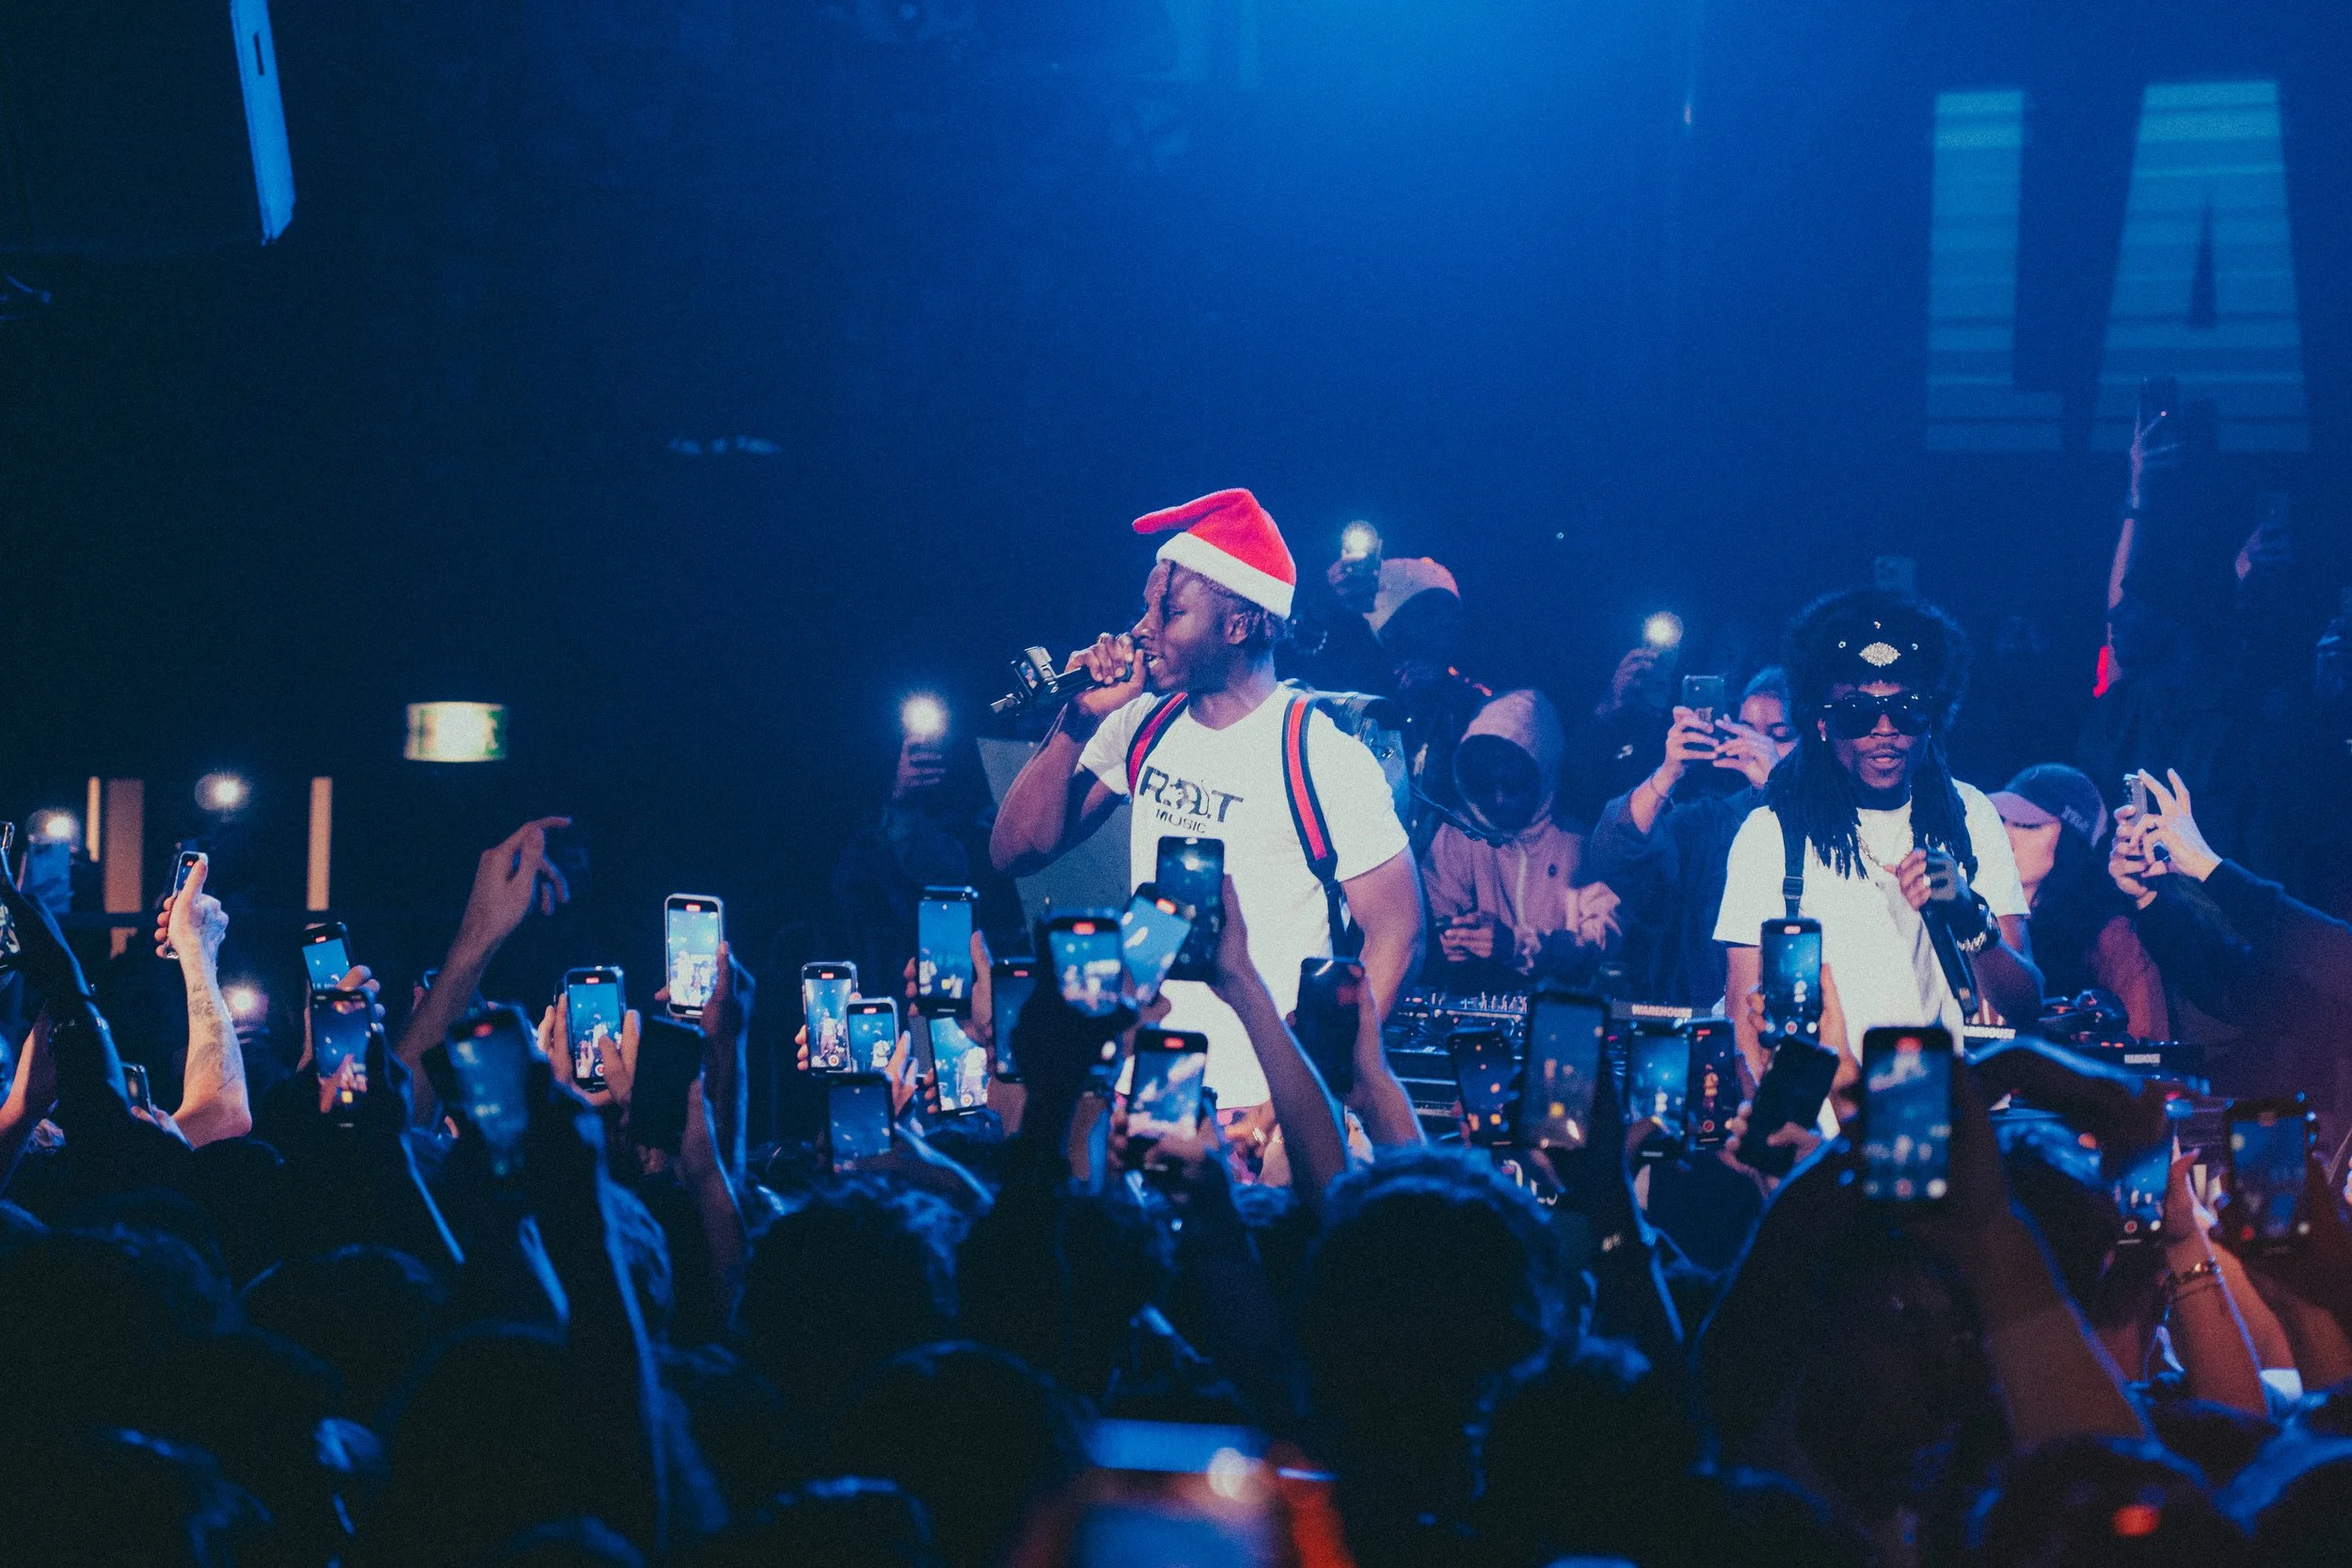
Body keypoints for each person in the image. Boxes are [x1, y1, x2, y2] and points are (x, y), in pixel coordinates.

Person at [991, 488, 1425, 1148]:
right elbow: (1014, 850)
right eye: (1146, 606)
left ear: (1241, 623)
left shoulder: (1321, 756)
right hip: (1145, 1095)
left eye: (1170, 611)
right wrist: (1076, 721)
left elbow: (1397, 933)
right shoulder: (1142, 721)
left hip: (1261, 1106)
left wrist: (1301, 1091)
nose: (1142, 628)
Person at [1716, 589, 2042, 1079]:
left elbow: (2024, 1004)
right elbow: (1742, 1024)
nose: (1885, 728)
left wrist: (1967, 914)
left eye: (1906, 709)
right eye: (1858, 713)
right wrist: (1771, 1142)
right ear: (1823, 723)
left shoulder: (1968, 815)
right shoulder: (1771, 834)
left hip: (1933, 1124)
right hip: (1818, 1134)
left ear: (1933, 718)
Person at [1586, 666, 1799, 1006]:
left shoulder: (1840, 818)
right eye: (1746, 731)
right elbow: (1612, 855)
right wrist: (1670, 771)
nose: (1757, 745)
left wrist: (1780, 787)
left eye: (1779, 735)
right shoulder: (1712, 821)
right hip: (1708, 1023)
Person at [1420, 689, 1620, 990]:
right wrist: (1449, 940)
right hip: (1471, 1002)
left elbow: (1605, 937)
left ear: (1545, 772)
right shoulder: (1458, 832)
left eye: (1514, 785)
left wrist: (1516, 944)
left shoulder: (1578, 842)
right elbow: (1429, 913)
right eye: (1487, 785)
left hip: (1558, 1012)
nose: (1499, 799)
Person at [831, 721, 1025, 1000]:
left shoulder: (984, 818)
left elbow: (954, 869)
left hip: (985, 964)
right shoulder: (869, 839)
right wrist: (901, 802)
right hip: (903, 970)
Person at [1990, 761, 2170, 1037]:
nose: (2005, 836)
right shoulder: (1971, 917)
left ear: (2070, 844)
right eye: (2001, 820)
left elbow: (2146, 1052)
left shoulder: (2110, 939)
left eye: (2027, 825)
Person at [1367, 556, 1489, 844]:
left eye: (1451, 611)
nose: (1447, 621)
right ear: (1390, 625)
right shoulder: (1361, 695)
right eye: (1429, 611)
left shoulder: (1474, 702)